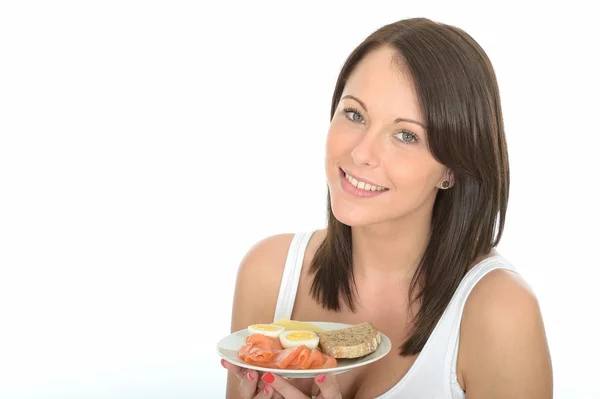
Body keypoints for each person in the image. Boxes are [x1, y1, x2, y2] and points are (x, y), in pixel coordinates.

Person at [220, 17, 553, 399]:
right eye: (354, 114)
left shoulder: (500, 313)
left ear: (452, 168)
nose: (361, 153)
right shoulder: (269, 274)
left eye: (406, 135)